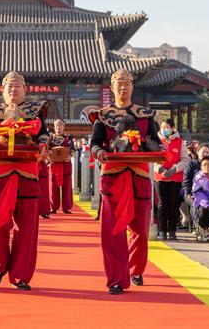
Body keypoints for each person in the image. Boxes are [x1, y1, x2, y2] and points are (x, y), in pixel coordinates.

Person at [89, 68, 161, 295]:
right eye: (118, 82)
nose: (123, 86)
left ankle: (135, 269)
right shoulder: (103, 115)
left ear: (133, 86)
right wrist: (99, 152)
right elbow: (95, 143)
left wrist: (158, 150)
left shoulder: (146, 115)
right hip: (113, 177)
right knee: (112, 230)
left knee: (139, 228)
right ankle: (116, 279)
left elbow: (156, 143)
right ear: (111, 88)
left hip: (139, 177)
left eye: (127, 82)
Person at [0, 71, 49, 291]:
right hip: (1, 174)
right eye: (9, 87)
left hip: (27, 174)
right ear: (2, 91)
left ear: (25, 91)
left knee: (26, 228)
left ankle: (21, 275)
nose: (13, 90)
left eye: (17, 86)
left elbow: (43, 136)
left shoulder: (35, 112)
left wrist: (44, 145)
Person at [154, 119, 189, 241]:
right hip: (160, 177)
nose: (164, 129)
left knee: (173, 204)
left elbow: (185, 160)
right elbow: (152, 159)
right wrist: (161, 170)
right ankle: (162, 230)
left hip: (175, 177)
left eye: (167, 127)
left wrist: (174, 169)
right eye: (162, 127)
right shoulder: (156, 141)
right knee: (162, 204)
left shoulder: (180, 142)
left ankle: (172, 230)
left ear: (173, 128)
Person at [49, 119, 75, 214]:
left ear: (63, 127)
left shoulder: (68, 138)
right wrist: (49, 156)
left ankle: (66, 207)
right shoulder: (50, 138)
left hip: (65, 165)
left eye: (60, 126)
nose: (58, 128)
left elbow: (72, 149)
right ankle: (53, 207)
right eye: (56, 126)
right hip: (54, 166)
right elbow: (47, 149)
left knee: (67, 187)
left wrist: (69, 156)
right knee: (53, 187)